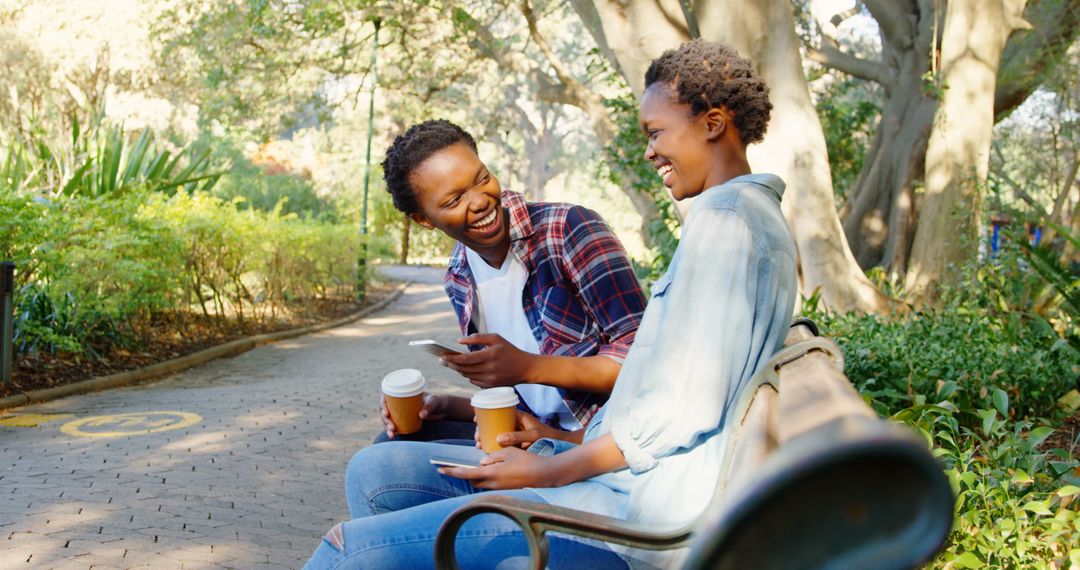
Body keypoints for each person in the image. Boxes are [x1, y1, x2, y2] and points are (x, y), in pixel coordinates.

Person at [305, 39, 798, 569]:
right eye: (451, 201)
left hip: (630, 511)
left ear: (714, 122)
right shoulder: (726, 219)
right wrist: (478, 415)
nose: (649, 151)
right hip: (608, 475)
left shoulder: (727, 227)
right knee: (374, 469)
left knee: (351, 550)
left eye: (655, 133)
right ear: (425, 219)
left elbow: (682, 407)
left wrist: (553, 466)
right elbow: (664, 390)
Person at [375, 120, 647, 447]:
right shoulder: (459, 276)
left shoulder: (568, 229)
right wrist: (448, 406)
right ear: (424, 219)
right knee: (391, 445)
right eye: (453, 201)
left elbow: (642, 360)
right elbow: (519, 403)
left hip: (600, 441)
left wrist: (530, 367)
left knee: (381, 470)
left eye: (482, 179)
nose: (480, 201)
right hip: (531, 440)